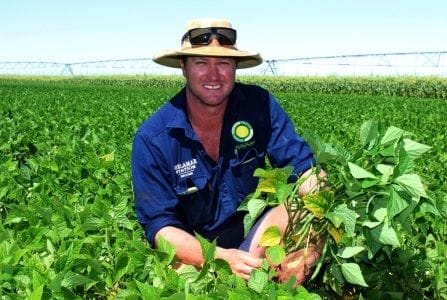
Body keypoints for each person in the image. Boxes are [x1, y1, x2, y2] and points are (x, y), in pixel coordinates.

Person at [131, 19, 326, 283]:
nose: (214, 75)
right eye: (201, 64)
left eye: (223, 63)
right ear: (183, 67)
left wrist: (311, 247)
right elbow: (160, 227)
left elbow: (305, 170)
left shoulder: (258, 106)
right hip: (196, 250)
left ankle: (275, 278)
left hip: (255, 234)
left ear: (234, 68)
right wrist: (221, 258)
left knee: (301, 207)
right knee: (181, 278)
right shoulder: (154, 138)